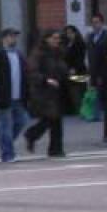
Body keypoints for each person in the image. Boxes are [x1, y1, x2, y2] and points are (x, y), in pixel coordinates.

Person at [0, 28, 30, 163]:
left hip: (18, 97)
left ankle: (6, 143)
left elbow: (24, 75)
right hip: (4, 97)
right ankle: (7, 154)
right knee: (6, 125)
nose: (14, 39)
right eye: (11, 36)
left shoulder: (19, 55)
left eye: (15, 36)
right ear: (3, 39)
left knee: (22, 121)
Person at [23, 28, 68, 158]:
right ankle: (32, 135)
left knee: (56, 120)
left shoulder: (58, 53)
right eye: (54, 38)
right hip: (43, 92)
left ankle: (55, 148)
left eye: (58, 38)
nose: (57, 41)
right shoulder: (38, 54)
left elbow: (61, 68)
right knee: (51, 118)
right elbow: (32, 72)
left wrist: (67, 74)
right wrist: (45, 80)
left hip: (56, 91)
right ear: (46, 39)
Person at [86, 13, 107, 121]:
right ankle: (95, 114)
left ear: (102, 23)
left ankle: (101, 114)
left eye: (97, 22)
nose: (95, 25)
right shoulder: (90, 37)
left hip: (103, 69)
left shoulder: (106, 37)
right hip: (93, 69)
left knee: (103, 92)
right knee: (94, 92)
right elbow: (89, 54)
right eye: (93, 23)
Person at [62, 24, 88, 116]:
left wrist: (74, 68)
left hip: (80, 71)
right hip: (69, 71)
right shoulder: (66, 44)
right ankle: (77, 110)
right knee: (73, 91)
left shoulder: (80, 43)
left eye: (71, 33)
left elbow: (80, 58)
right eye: (67, 33)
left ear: (75, 33)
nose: (69, 35)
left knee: (80, 91)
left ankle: (83, 110)